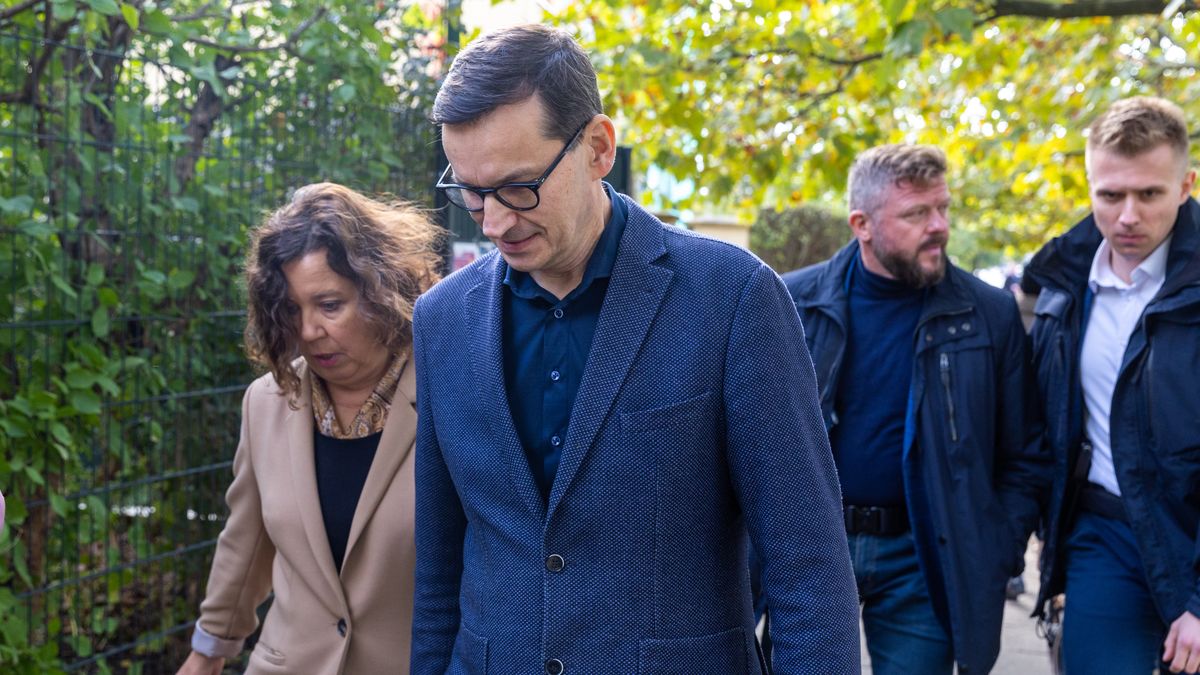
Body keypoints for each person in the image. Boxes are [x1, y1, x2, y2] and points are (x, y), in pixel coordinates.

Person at [410, 24, 858, 674]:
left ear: (598, 146)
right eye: (471, 193)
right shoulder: (441, 319)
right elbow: (438, 569)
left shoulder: (734, 297)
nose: (496, 220)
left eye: (517, 187)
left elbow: (807, 567)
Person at [781, 144, 1049, 674]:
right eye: (916, 213)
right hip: (811, 550)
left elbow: (1026, 456)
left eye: (943, 208)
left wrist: (995, 552)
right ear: (862, 224)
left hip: (925, 556)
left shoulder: (988, 314)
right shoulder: (791, 302)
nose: (939, 226)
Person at [176, 183, 443, 674]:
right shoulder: (267, 402)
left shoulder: (449, 391)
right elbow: (245, 543)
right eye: (291, 310)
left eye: (329, 304)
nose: (307, 331)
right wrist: (206, 653)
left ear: (381, 291)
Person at [1025, 96, 1200, 675]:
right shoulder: (1062, 288)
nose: (1128, 215)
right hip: (1103, 538)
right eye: (1110, 195)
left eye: (1149, 194)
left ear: (1185, 185)